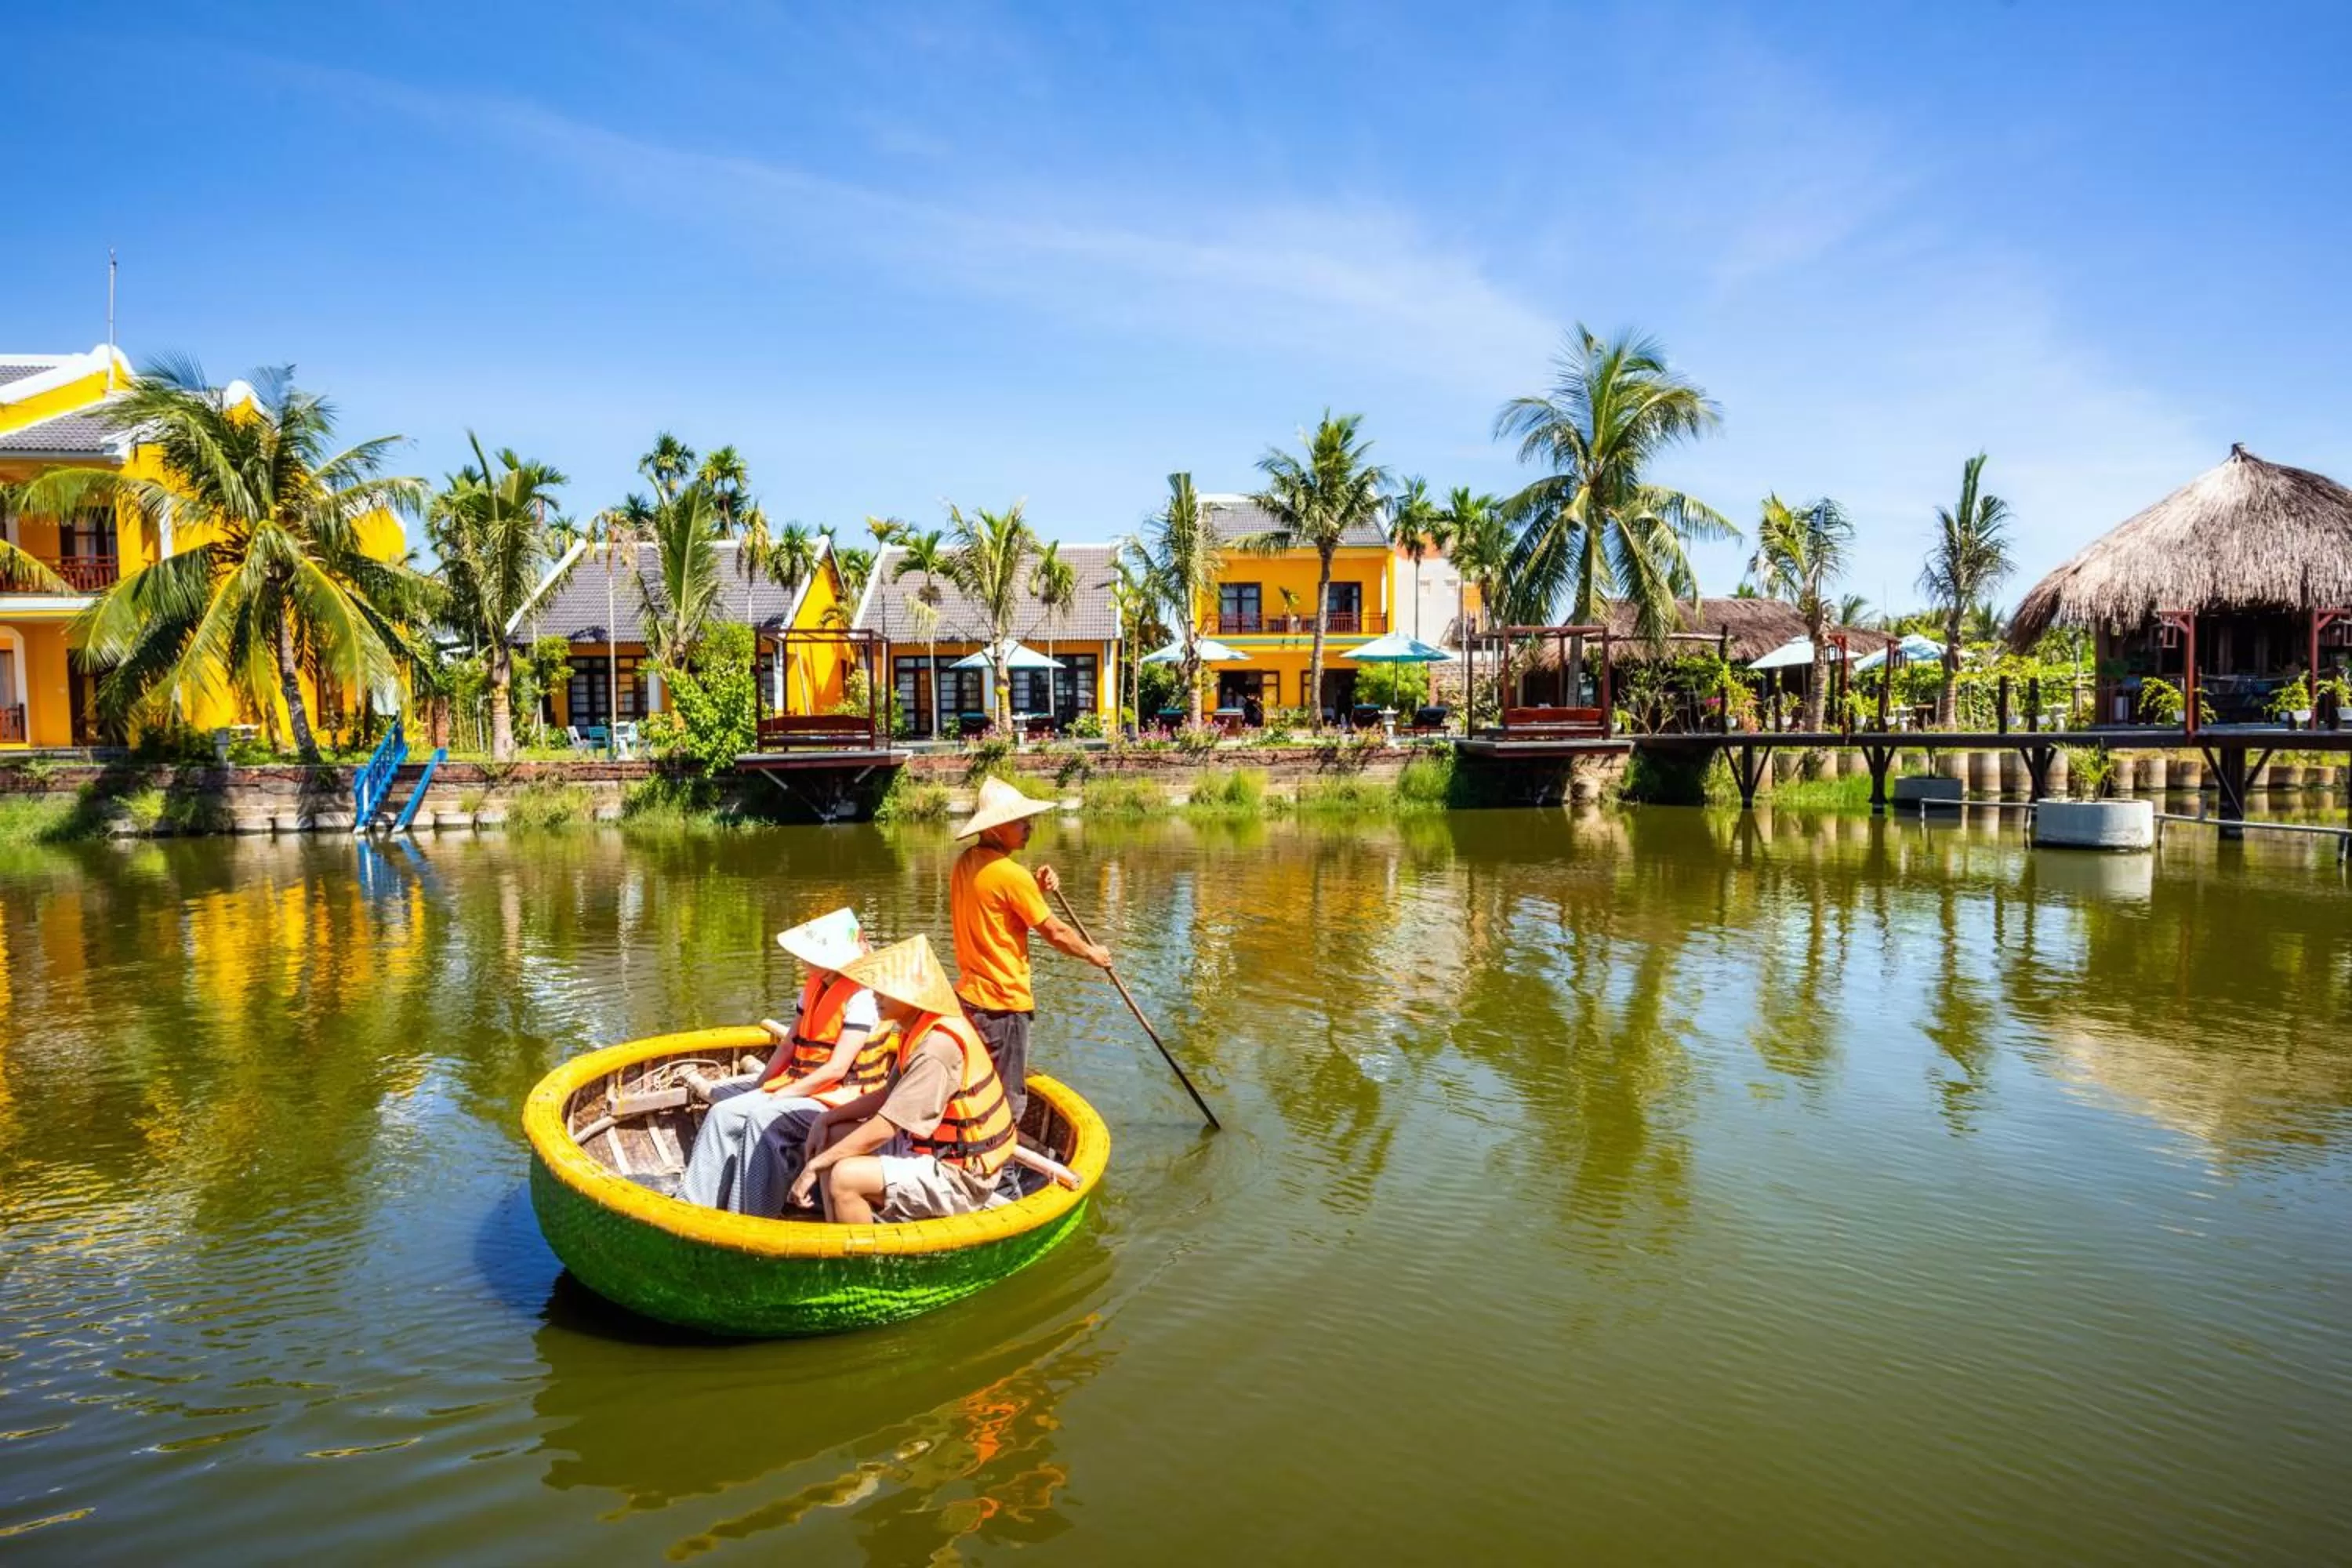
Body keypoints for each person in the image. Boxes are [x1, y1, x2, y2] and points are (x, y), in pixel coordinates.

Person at [792, 935, 1019, 1224]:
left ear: (914, 995)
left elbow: (887, 1126)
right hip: (927, 1150)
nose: (875, 995)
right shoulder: (915, 1028)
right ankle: (838, 1231)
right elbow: (889, 1094)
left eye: (886, 989)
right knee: (832, 1136)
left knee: (844, 1177)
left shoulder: (937, 1047)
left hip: (960, 1176)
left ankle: (859, 1264)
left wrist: (815, 1166)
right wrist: (828, 1119)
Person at [678, 907, 875, 1214]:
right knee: (722, 1113)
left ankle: (748, 1215)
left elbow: (837, 1068)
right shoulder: (812, 989)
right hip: (802, 1087)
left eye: (809, 953)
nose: (801, 959)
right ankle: (691, 1206)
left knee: (762, 1119)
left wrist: (783, 1095)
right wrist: (759, 1088)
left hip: (836, 1100)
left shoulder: (861, 998)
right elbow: (787, 1048)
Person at [946, 775, 1111, 1119]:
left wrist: (1035, 889)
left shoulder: (966, 863)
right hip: (1002, 1004)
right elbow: (1055, 932)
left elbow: (997, 909)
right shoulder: (1010, 874)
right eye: (1019, 821)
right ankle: (1001, 1170)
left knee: (976, 1083)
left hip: (969, 997)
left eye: (1027, 819)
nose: (1028, 826)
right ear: (994, 829)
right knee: (1009, 1099)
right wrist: (1091, 954)